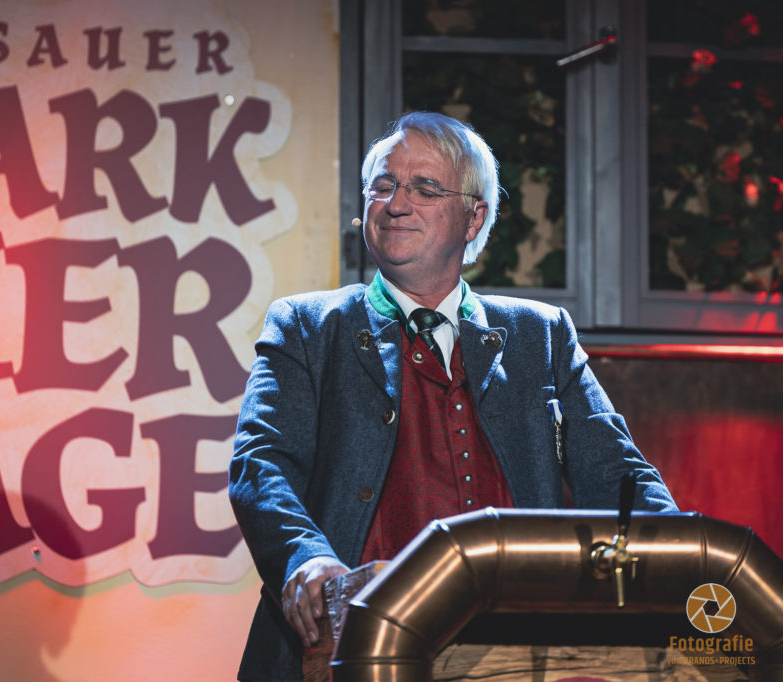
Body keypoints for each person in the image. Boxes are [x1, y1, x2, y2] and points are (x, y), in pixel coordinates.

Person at [228, 111, 676, 682]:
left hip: (512, 652)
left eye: (425, 188)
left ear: (474, 217)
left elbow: (617, 475)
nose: (396, 204)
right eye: (383, 186)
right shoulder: (308, 326)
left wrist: (681, 556)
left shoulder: (539, 335)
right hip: (347, 652)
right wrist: (304, 557)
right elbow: (260, 465)